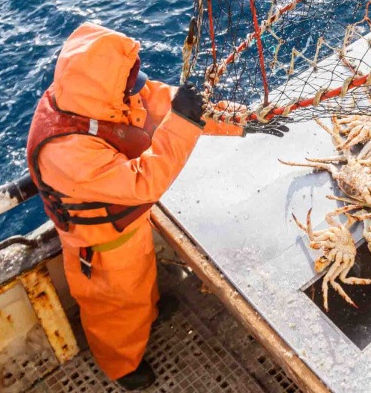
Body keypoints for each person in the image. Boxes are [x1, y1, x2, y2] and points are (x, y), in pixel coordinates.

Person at [25, 23, 286, 389]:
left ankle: (148, 315)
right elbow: (145, 180)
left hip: (130, 231)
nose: (137, 91)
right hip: (100, 250)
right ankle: (121, 367)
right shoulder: (66, 152)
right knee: (115, 312)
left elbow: (165, 105)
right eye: (129, 86)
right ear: (106, 90)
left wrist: (243, 122)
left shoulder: (97, 92)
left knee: (143, 285)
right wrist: (183, 121)